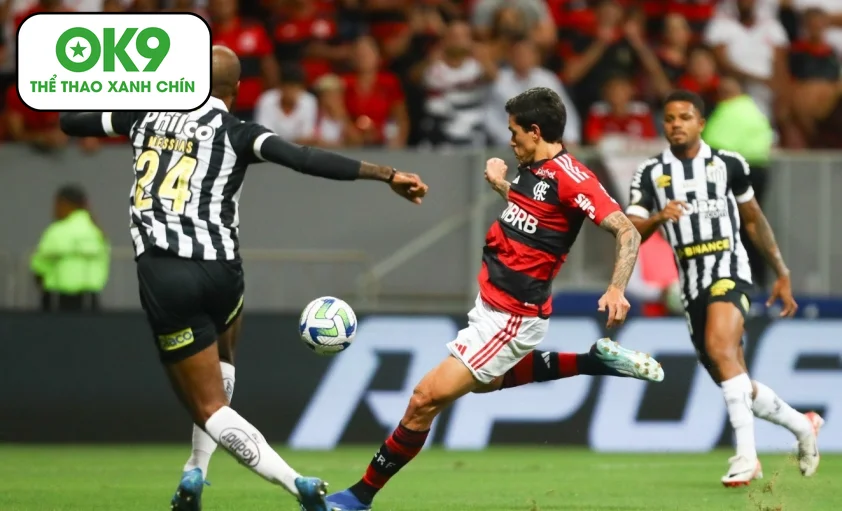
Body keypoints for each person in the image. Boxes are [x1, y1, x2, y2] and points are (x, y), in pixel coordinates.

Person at [58, 46, 428, 511]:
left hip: (166, 275)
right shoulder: (238, 131)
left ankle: (298, 484)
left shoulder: (144, 114)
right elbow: (305, 158)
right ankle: (195, 471)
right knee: (223, 358)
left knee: (208, 406)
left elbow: (71, 122)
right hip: (223, 271)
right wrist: (387, 173)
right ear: (235, 89)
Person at [325, 87, 664, 511]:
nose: (510, 139)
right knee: (484, 384)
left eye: (514, 131)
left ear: (535, 131)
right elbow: (534, 214)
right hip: (490, 304)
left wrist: (616, 288)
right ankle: (592, 361)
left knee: (423, 399)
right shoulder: (530, 169)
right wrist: (502, 185)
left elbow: (627, 230)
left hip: (512, 316)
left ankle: (358, 497)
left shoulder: (573, 177)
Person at [625, 90, 823, 487]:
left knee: (720, 347)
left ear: (701, 123)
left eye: (685, 117)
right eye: (669, 118)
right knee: (732, 377)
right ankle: (802, 425)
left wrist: (781, 271)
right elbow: (631, 231)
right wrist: (659, 217)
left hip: (729, 269)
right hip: (690, 283)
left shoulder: (728, 164)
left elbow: (752, 219)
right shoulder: (649, 173)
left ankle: (746, 456)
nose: (676, 124)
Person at [31, 185, 110, 312]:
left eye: (57, 205)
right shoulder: (97, 233)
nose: (54, 210)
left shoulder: (57, 231)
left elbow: (39, 266)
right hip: (90, 301)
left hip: (57, 301)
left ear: (65, 204)